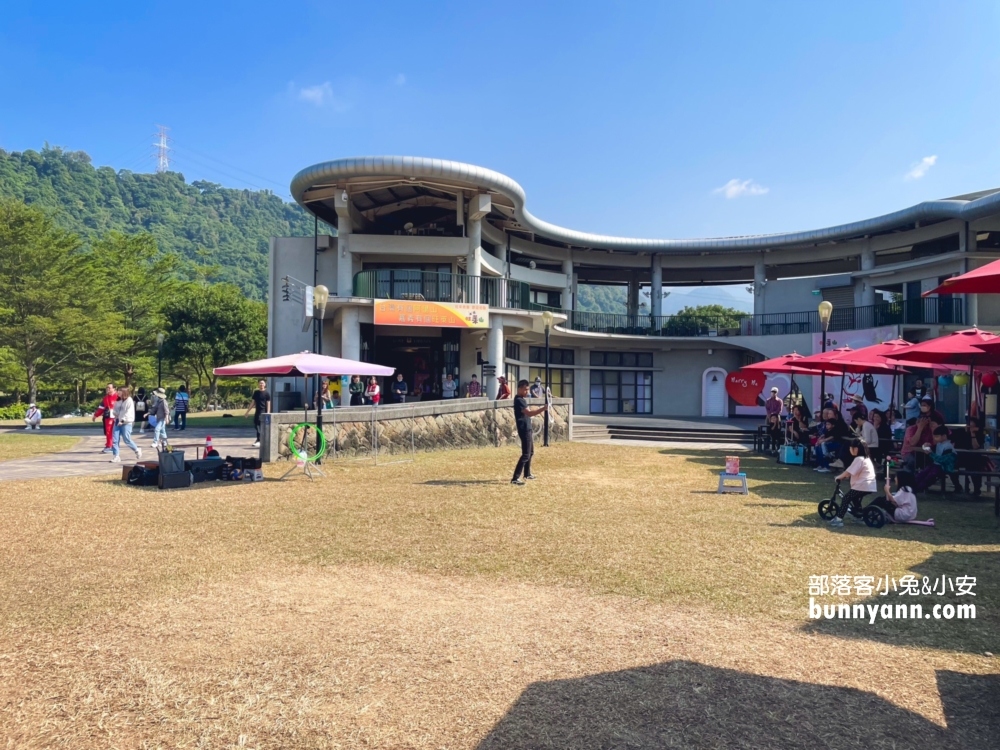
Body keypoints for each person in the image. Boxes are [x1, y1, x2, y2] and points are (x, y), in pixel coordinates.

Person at [829, 438, 876, 528]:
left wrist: (839, 477)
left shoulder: (858, 459)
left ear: (856, 449)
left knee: (846, 499)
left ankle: (838, 519)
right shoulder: (866, 459)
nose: (850, 449)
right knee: (855, 499)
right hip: (869, 486)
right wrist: (846, 476)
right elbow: (856, 471)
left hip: (861, 485)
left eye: (851, 448)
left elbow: (848, 471)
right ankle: (859, 516)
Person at [511, 378, 548, 485]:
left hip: (528, 428)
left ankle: (527, 473)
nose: (527, 391)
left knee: (530, 452)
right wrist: (543, 409)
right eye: (525, 389)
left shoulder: (521, 399)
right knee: (526, 454)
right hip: (524, 429)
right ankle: (515, 478)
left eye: (528, 389)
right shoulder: (519, 400)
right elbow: (529, 413)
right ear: (519, 389)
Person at [953, 416, 988, 496]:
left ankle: (977, 489)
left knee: (975, 467)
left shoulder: (979, 434)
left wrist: (973, 434)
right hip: (961, 456)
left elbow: (975, 446)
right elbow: (955, 443)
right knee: (951, 465)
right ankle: (957, 486)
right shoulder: (960, 432)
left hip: (973, 457)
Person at [914, 426, 957, 491]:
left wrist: (930, 453)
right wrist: (926, 446)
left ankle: (918, 488)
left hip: (944, 467)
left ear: (944, 436)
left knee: (930, 476)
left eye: (937, 436)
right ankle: (913, 486)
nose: (935, 438)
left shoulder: (948, 447)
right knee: (922, 473)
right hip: (936, 465)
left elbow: (942, 460)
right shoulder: (939, 444)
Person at [110, 386, 142, 464]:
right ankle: (116, 456)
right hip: (117, 421)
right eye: (118, 391)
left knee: (126, 439)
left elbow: (129, 412)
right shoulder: (118, 400)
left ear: (124, 392)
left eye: (119, 391)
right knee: (115, 439)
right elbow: (115, 410)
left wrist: (123, 420)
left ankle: (137, 450)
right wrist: (115, 413)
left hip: (126, 422)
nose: (118, 392)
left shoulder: (129, 400)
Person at [92, 382, 118, 453]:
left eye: (109, 388)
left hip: (117, 417)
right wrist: (95, 415)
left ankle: (113, 446)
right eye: (107, 388)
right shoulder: (105, 398)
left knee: (115, 432)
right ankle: (109, 445)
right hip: (108, 417)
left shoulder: (118, 397)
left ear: (114, 389)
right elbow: (101, 408)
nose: (107, 389)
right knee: (108, 431)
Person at [244, 379, 271, 447]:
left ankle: (259, 440)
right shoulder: (256, 392)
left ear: (265, 384)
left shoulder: (267, 393)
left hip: (263, 412)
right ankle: (259, 439)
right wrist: (247, 412)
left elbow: (268, 403)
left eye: (262, 383)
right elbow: (253, 403)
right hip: (257, 411)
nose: (261, 384)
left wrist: (268, 412)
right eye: (260, 383)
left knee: (260, 426)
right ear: (258, 384)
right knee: (256, 425)